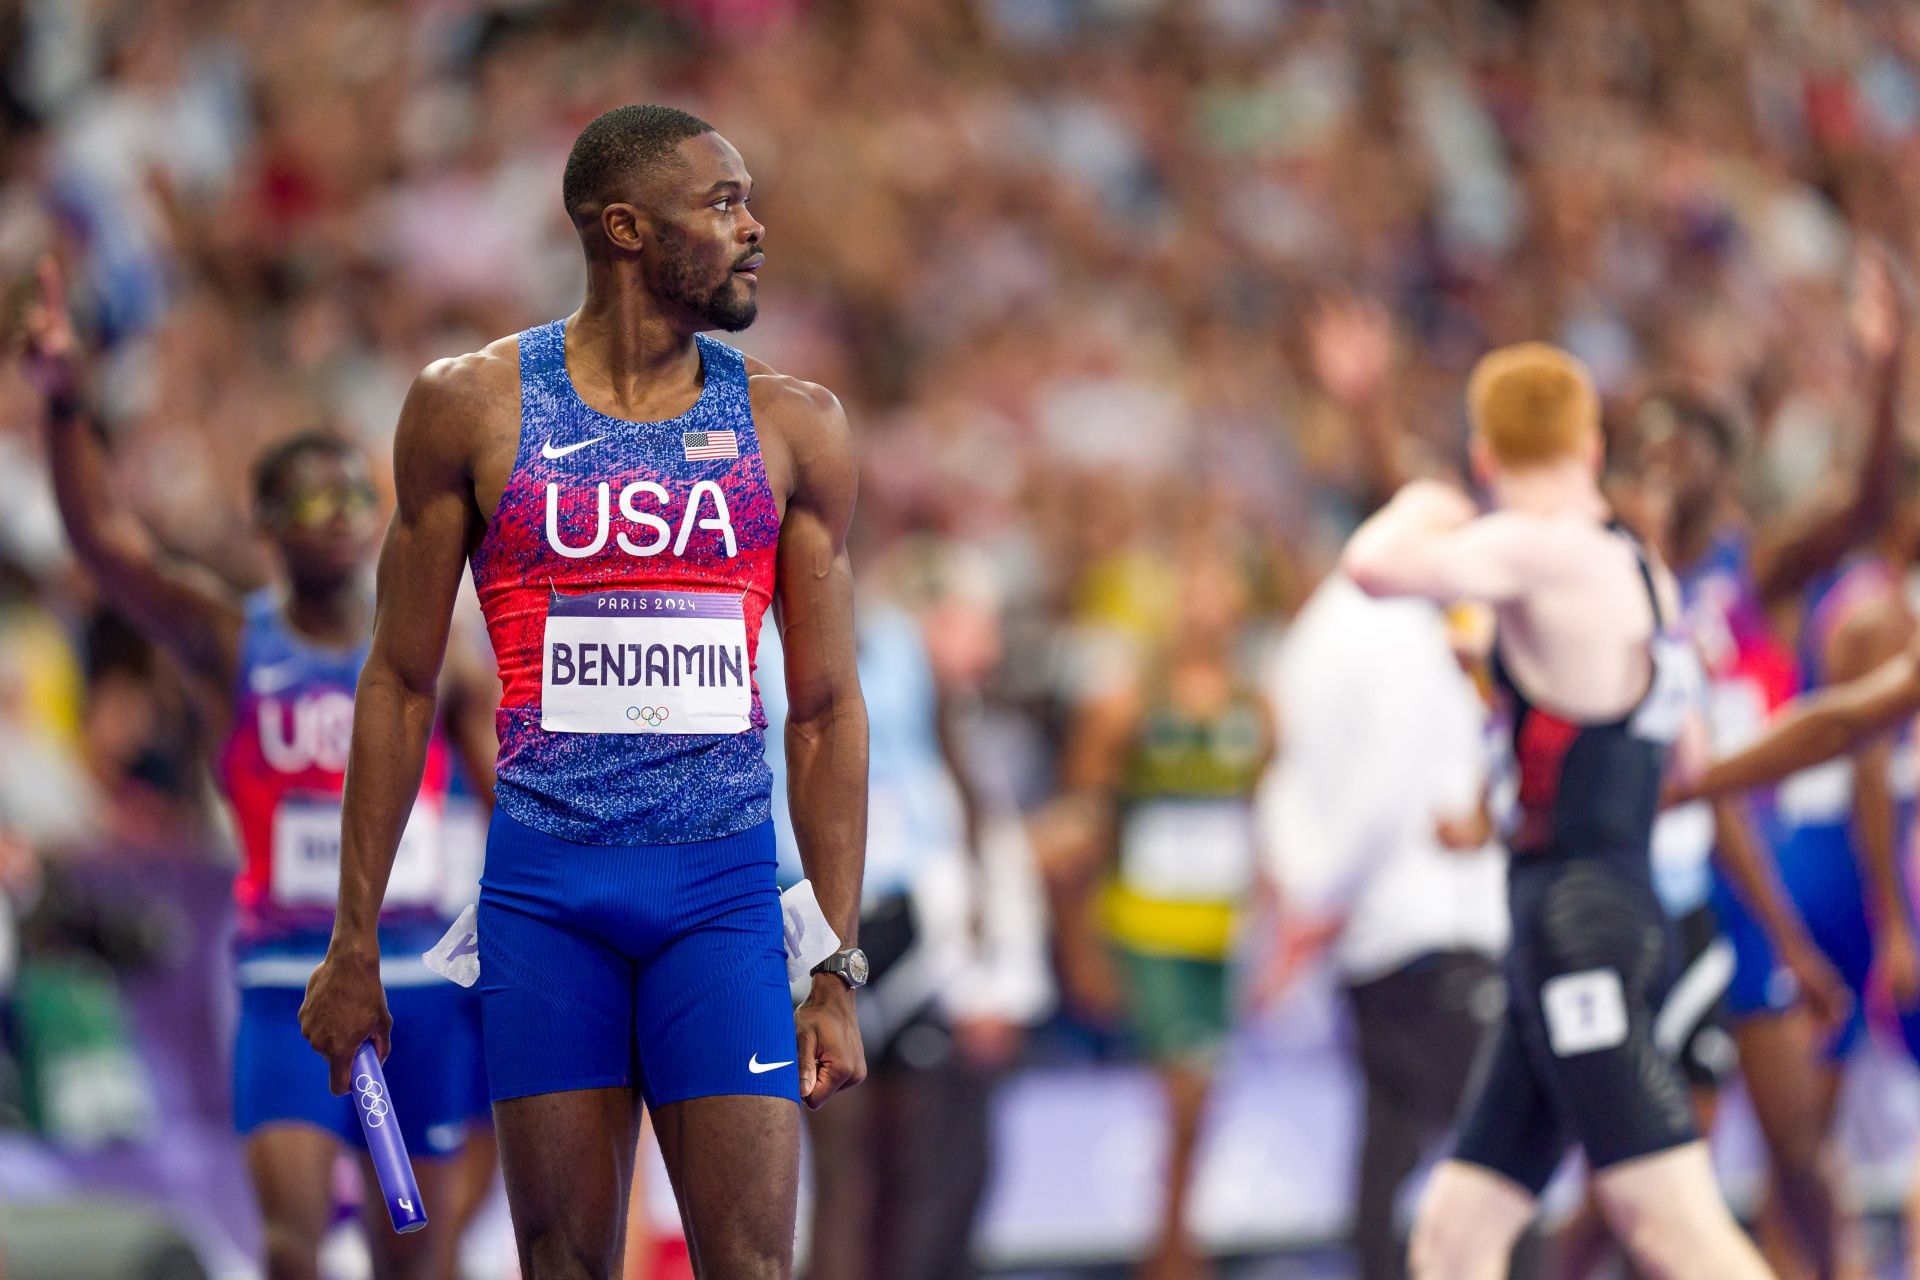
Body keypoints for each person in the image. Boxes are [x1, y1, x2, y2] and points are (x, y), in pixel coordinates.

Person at [293, 104, 869, 1280]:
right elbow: (399, 680)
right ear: (623, 228)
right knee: (562, 1263)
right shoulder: (472, 407)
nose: (755, 227)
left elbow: (823, 711)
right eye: (721, 205)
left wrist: (836, 961)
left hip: (722, 896)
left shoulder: (792, 427)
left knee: (755, 1266)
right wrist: (353, 938)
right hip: (548, 896)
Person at [16, 263, 497, 1280]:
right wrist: (66, 407)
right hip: (292, 982)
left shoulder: (438, 652)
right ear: (265, 523)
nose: (336, 508)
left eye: (353, 490)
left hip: (422, 988)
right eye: (306, 493)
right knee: (289, 1244)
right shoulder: (230, 642)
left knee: (415, 1246)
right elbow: (106, 545)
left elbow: (510, 792)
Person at [1341, 342, 1773, 1280]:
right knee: (1455, 1237)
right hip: (1592, 910)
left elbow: (1371, 566)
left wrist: (1430, 498)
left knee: (1671, 1229)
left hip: (1576, 922)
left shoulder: (1538, 546)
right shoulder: (1639, 565)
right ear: (1590, 441)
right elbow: (1682, 756)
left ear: (1485, 454)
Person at [1260, 573, 1508, 1280]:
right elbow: (1384, 789)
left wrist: (1311, 895)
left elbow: (1300, 780)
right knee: (1498, 1158)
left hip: (1381, 937)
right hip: (1432, 930)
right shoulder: (1393, 634)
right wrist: (1317, 897)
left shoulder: (1320, 636)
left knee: (1390, 1146)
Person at [1059, 552, 1275, 1280]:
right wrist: (1081, 939)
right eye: (1194, 594)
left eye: (1221, 596)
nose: (1206, 612)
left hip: (1218, 931)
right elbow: (1085, 827)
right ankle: (1172, 1253)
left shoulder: (1257, 709)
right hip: (1144, 929)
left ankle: (1176, 1239)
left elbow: (1264, 821)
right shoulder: (1128, 706)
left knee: (1203, 1094)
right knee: (1180, 1087)